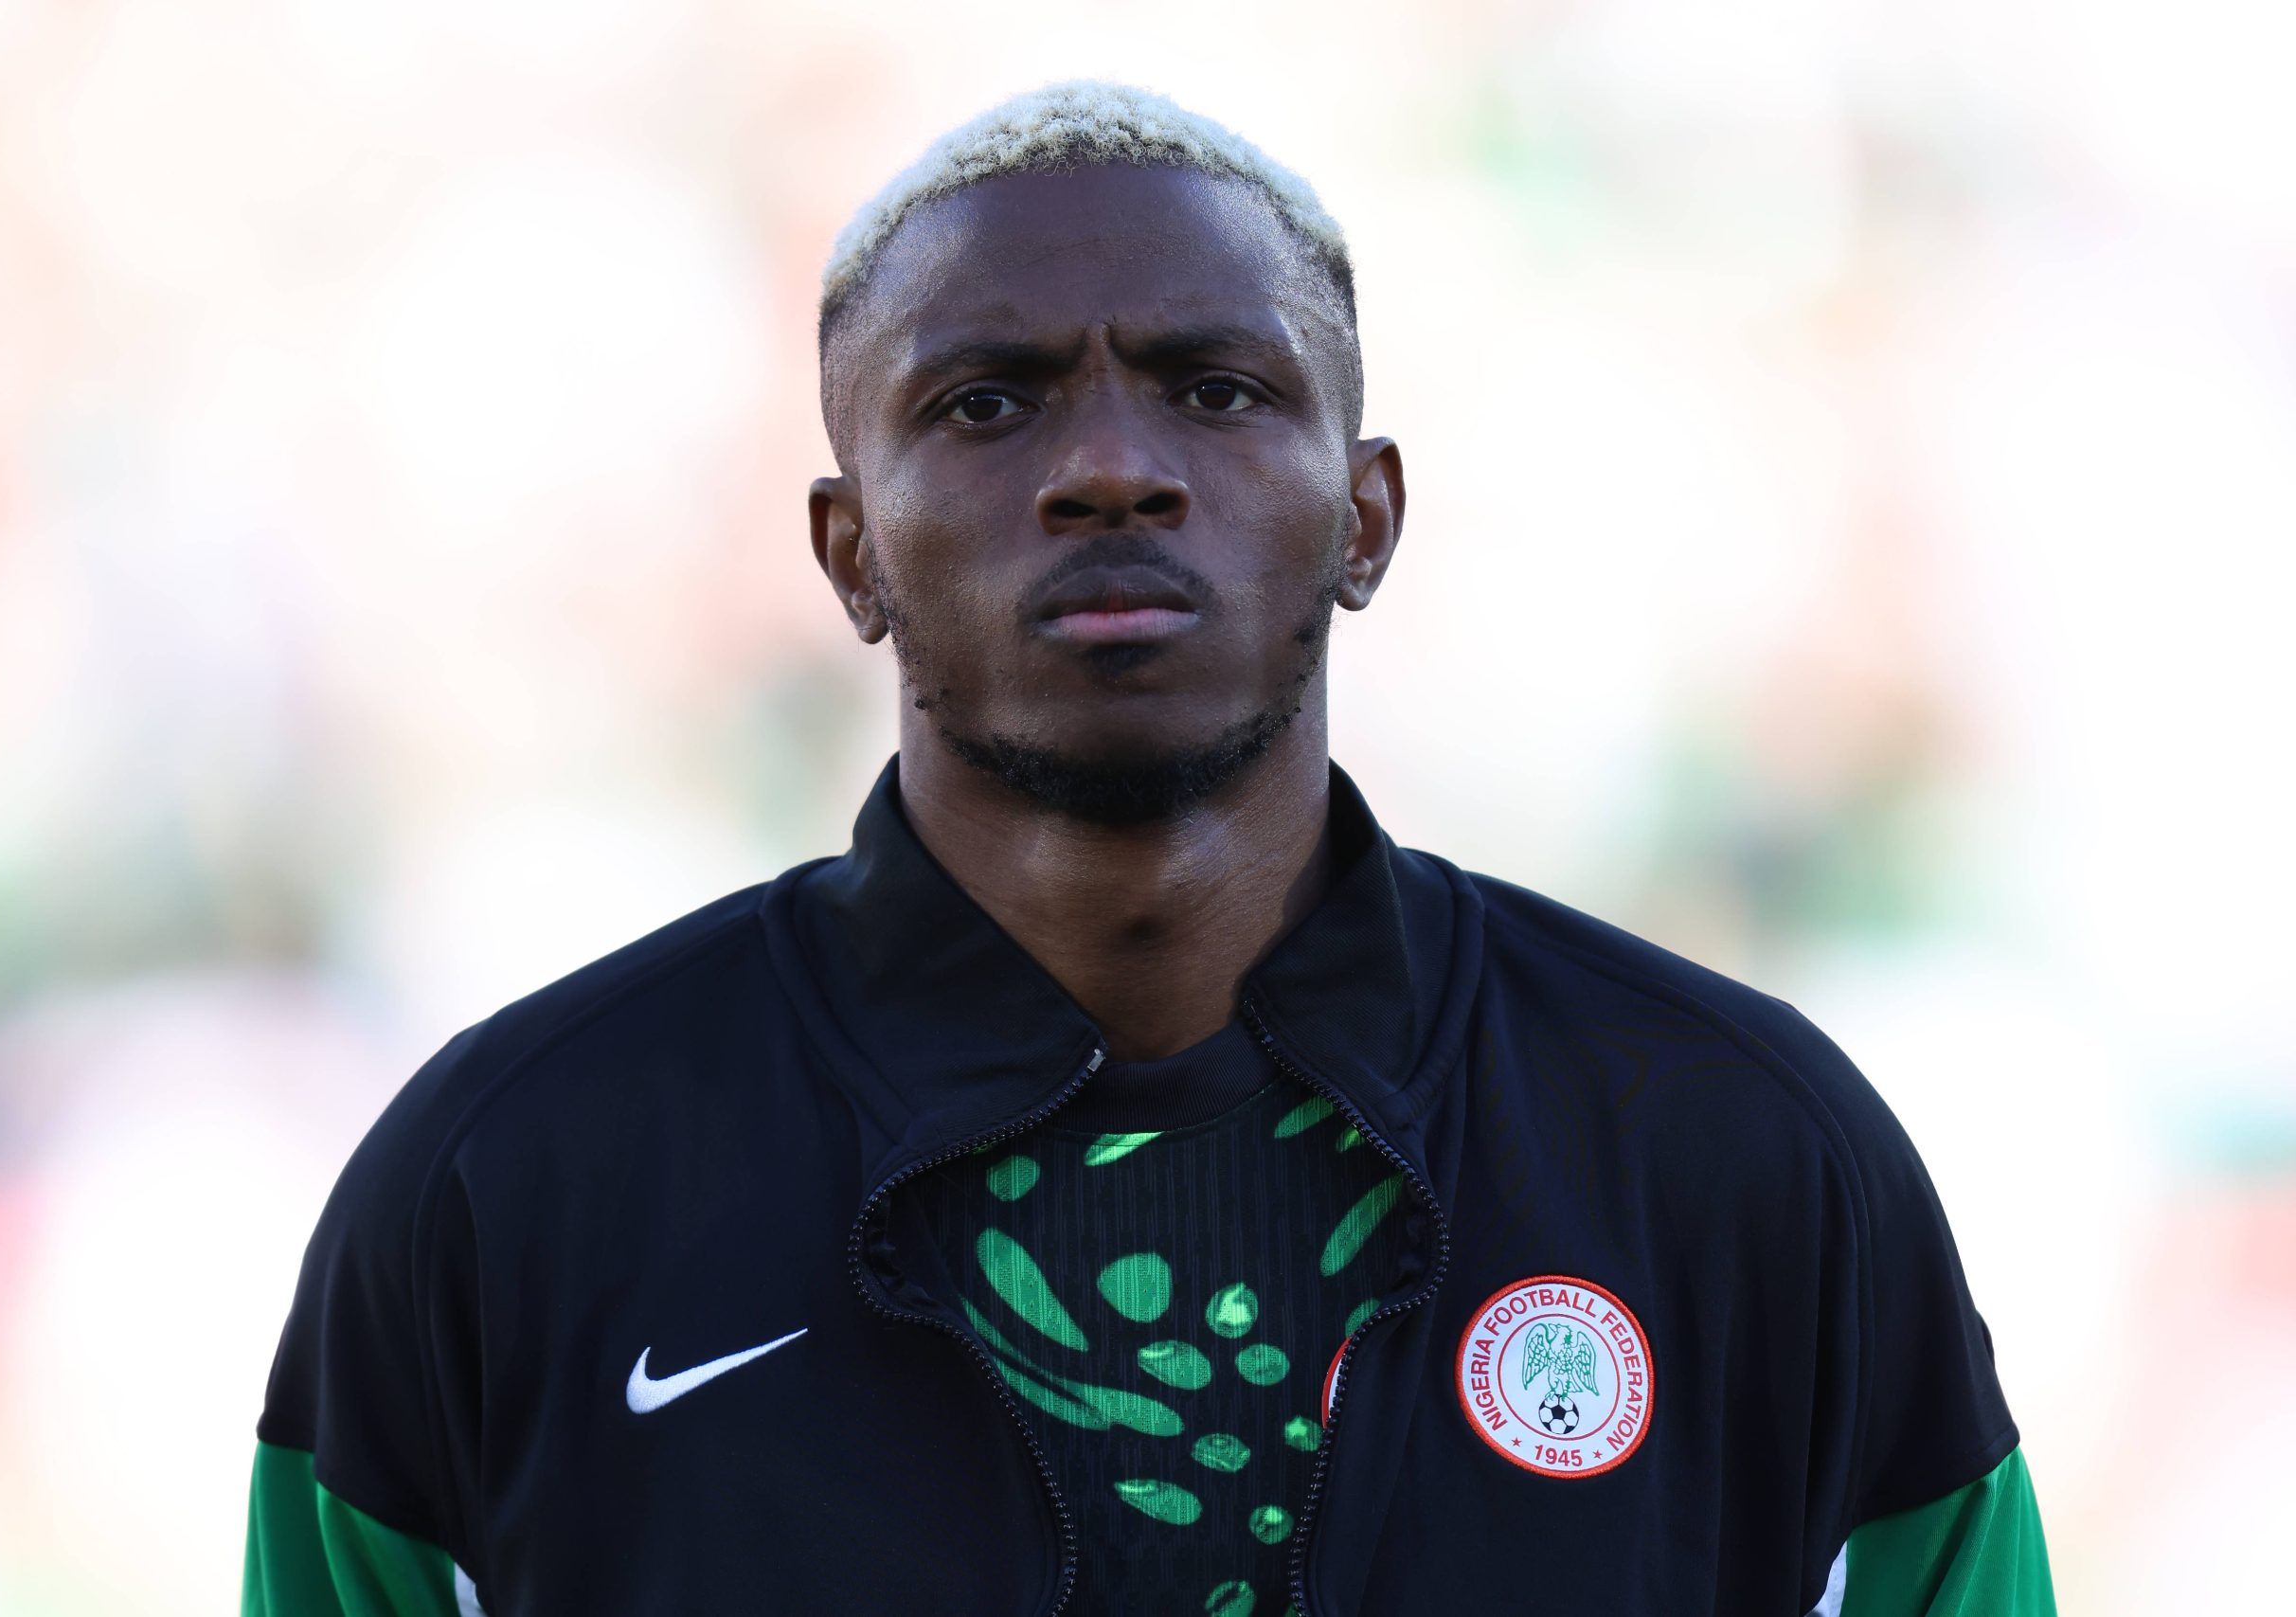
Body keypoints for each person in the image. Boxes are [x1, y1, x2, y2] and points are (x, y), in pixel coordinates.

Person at [241, 81, 2055, 1617]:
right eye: (987, 402)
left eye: (1216, 389)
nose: (1111, 466)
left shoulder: (1738, 1156)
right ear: (847, 552)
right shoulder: (508, 1186)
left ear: (1366, 513)